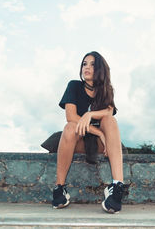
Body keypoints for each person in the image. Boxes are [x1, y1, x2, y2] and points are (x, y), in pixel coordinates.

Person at [52, 51, 124, 214]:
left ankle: (117, 187)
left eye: (92, 64)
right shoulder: (74, 85)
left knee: (110, 121)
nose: (87, 67)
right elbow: (70, 116)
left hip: (101, 146)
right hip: (78, 141)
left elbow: (109, 112)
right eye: (84, 64)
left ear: (100, 69)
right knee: (70, 126)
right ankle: (59, 188)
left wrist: (90, 114)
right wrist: (99, 133)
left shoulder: (107, 90)